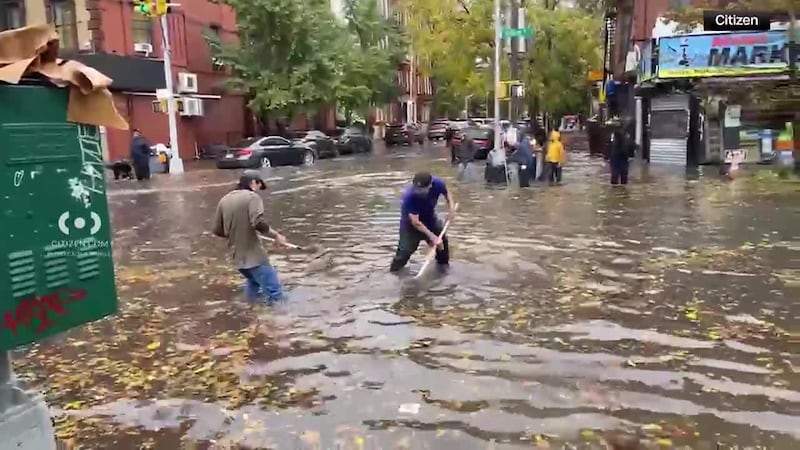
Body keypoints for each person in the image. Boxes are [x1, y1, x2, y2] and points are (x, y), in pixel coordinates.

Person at [212, 170, 291, 303]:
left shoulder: (224, 200)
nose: (258, 191)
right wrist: (276, 236)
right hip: (254, 258)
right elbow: (258, 222)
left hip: (237, 260)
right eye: (259, 186)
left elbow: (217, 230)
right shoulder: (252, 197)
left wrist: (236, 234)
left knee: (253, 284)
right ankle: (279, 320)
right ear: (253, 182)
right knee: (275, 292)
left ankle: (249, 314)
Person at [390, 172, 456, 273]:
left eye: (421, 189)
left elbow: (447, 193)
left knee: (442, 247)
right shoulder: (409, 197)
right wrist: (433, 237)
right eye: (417, 189)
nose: (418, 192)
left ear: (430, 185)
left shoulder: (438, 184)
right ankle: (394, 273)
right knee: (404, 252)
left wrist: (451, 209)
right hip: (410, 226)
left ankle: (442, 272)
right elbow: (416, 222)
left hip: (430, 220)